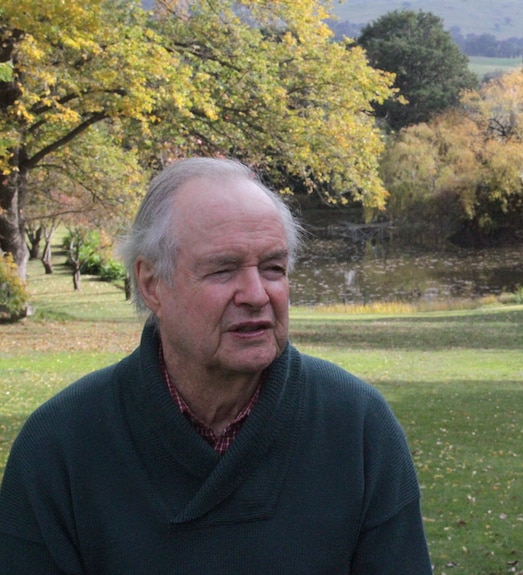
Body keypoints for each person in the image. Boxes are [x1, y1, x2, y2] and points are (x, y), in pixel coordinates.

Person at [0, 157, 433, 574]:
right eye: (224, 270)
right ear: (152, 284)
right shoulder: (58, 448)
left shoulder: (357, 427)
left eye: (273, 268)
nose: (256, 294)